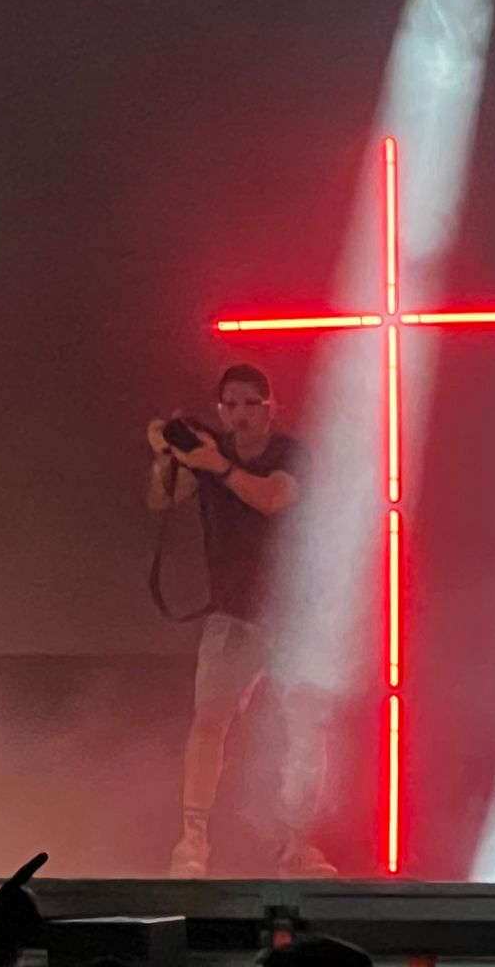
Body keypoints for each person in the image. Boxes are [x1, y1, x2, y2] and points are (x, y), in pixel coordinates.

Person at [146, 363, 334, 878]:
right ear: (220, 407)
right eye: (232, 404)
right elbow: (160, 499)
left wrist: (215, 465)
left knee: (303, 727)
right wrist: (167, 453)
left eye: (253, 403)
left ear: (271, 405)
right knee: (208, 724)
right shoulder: (210, 454)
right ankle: (193, 840)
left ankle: (297, 844)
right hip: (231, 612)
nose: (242, 414)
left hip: (291, 615)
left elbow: (275, 498)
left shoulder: (289, 452)